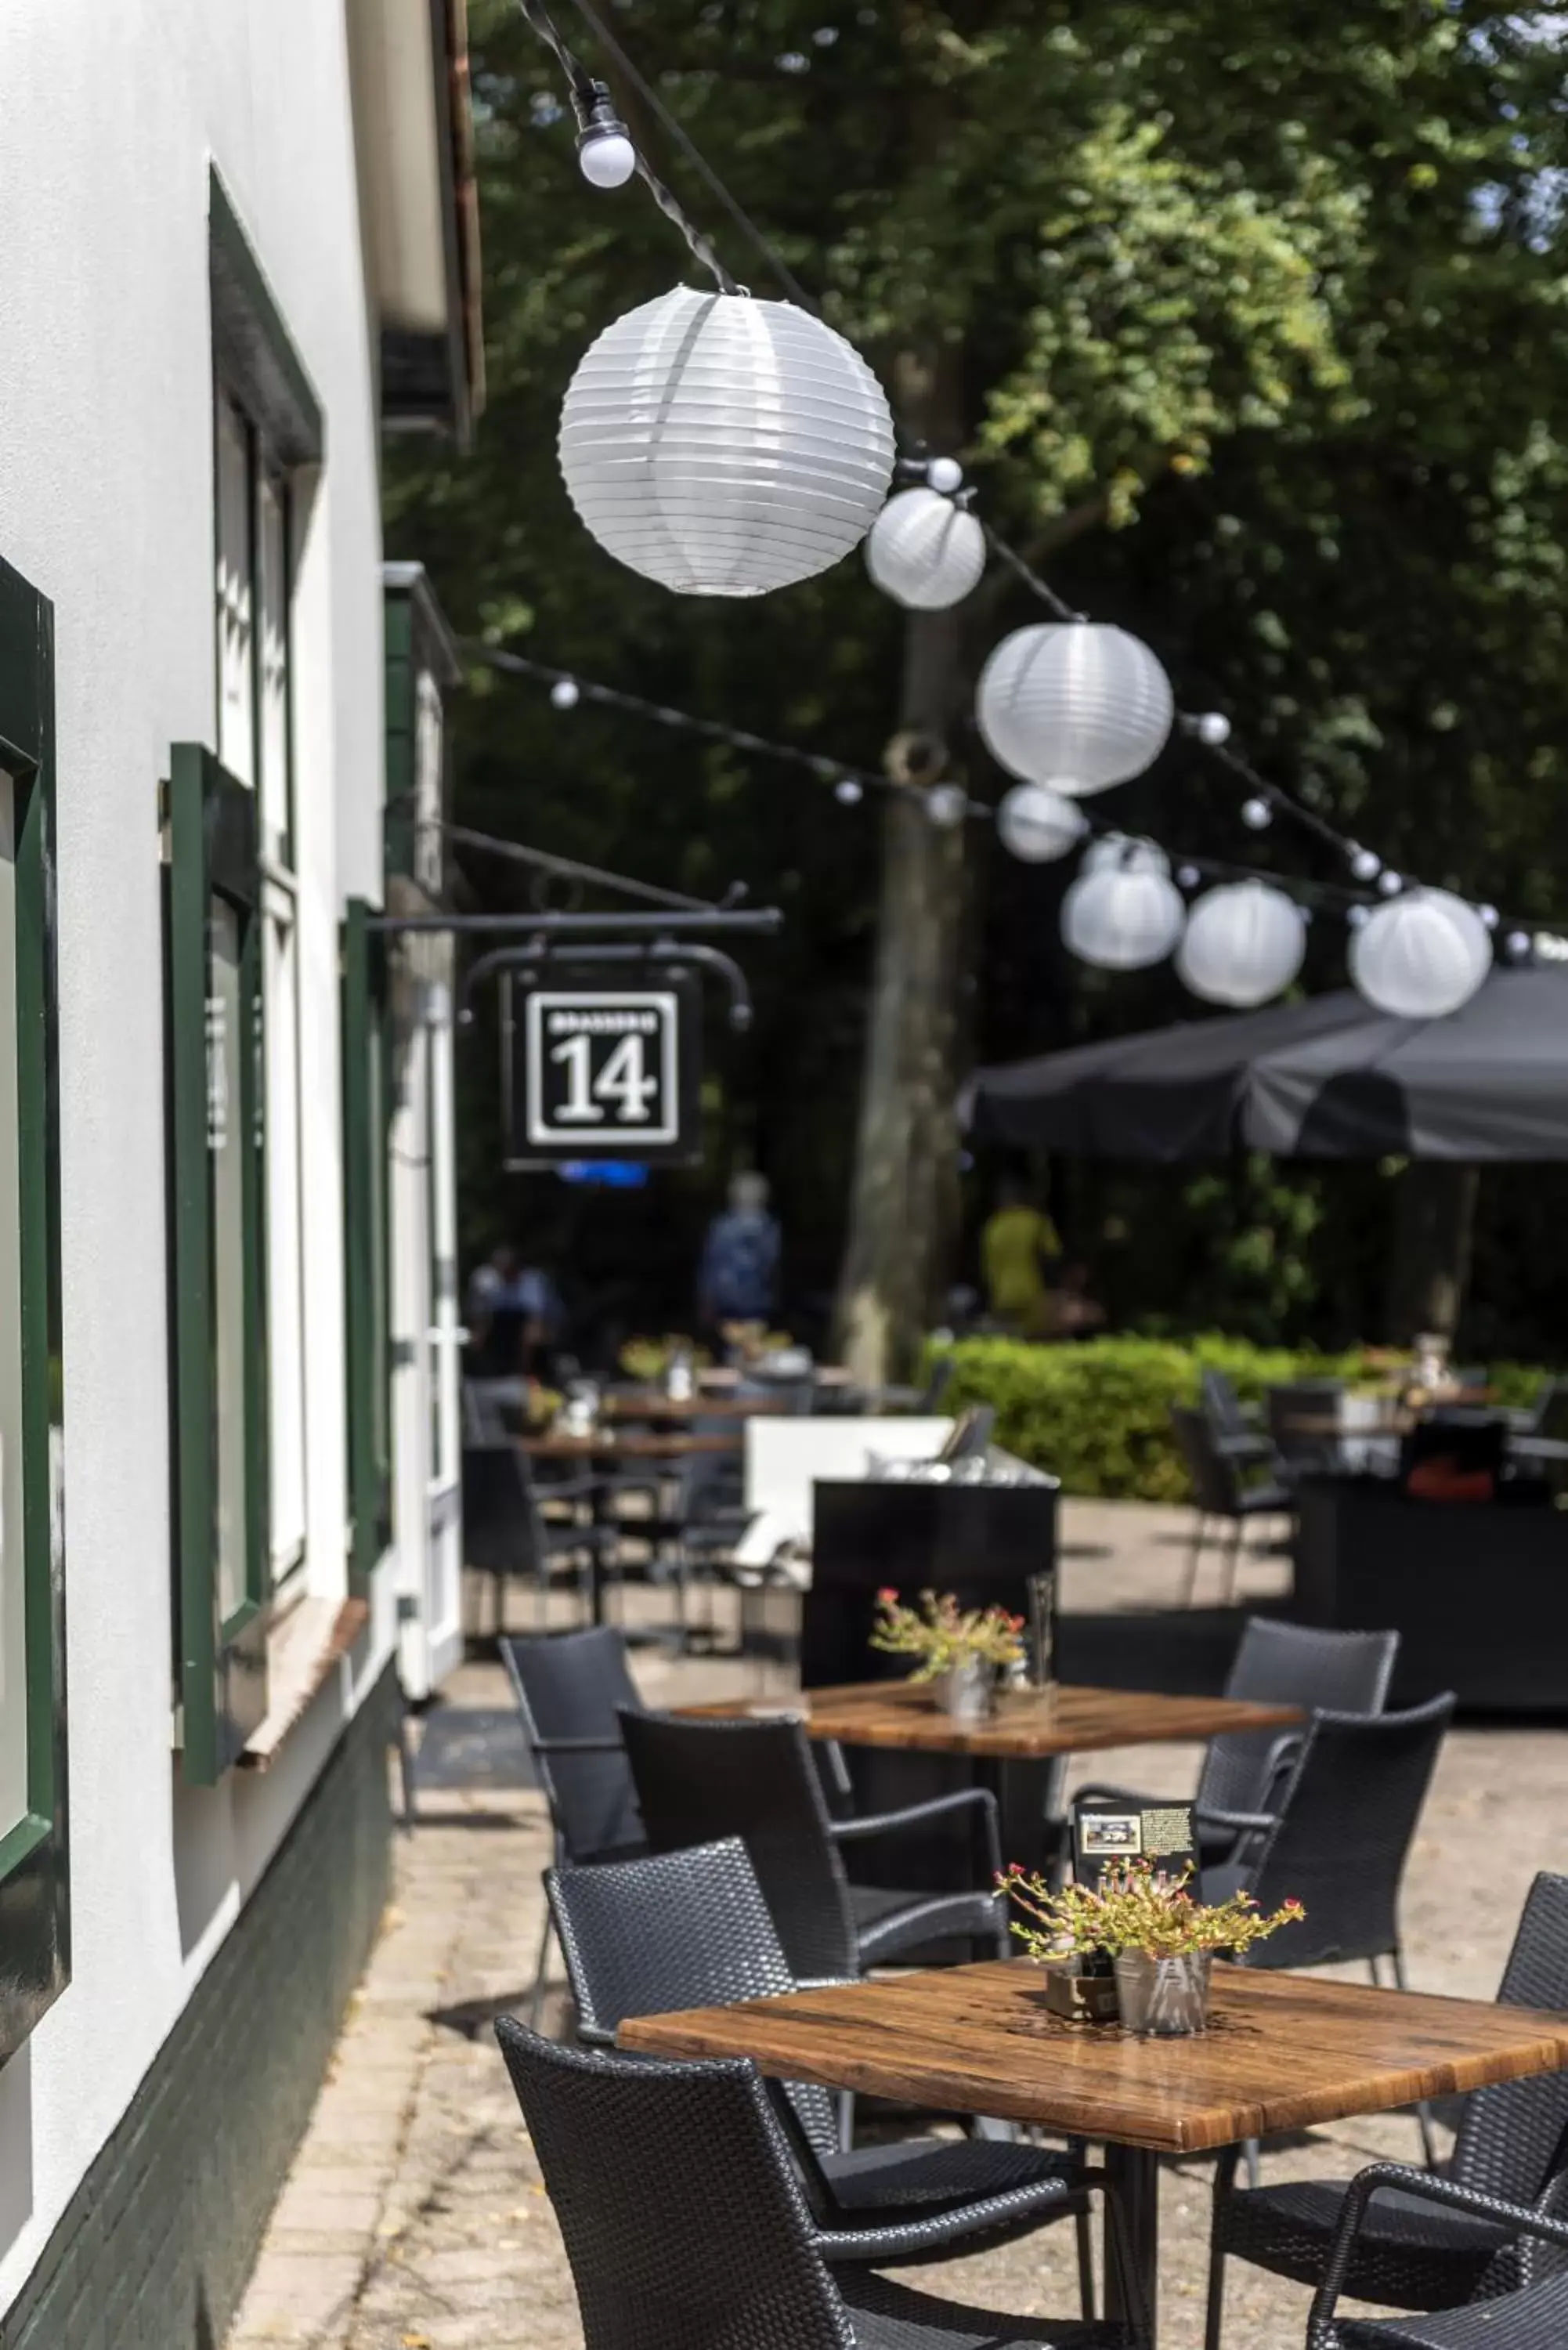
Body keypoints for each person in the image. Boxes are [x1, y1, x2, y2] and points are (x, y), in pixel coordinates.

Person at [698, 1171, 782, 1334]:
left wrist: (706, 1298)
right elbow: (772, 1264)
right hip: (754, 1299)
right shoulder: (770, 1228)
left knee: (732, 1341)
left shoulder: (722, 1226)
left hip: (730, 1298)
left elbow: (711, 1263)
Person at [980, 1173, 1061, 1339]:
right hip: (1032, 1293)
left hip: (1001, 1296)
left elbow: (987, 1267)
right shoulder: (1035, 1220)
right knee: (1035, 1342)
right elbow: (1052, 1256)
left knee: (1009, 1342)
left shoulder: (993, 1226)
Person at [466, 1244, 562, 1379]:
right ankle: (490, 1373)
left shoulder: (532, 1282)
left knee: (530, 1333)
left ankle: (524, 1373)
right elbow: (483, 1316)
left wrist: (522, 1366)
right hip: (508, 1328)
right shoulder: (492, 1281)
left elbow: (534, 1324)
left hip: (546, 1327)